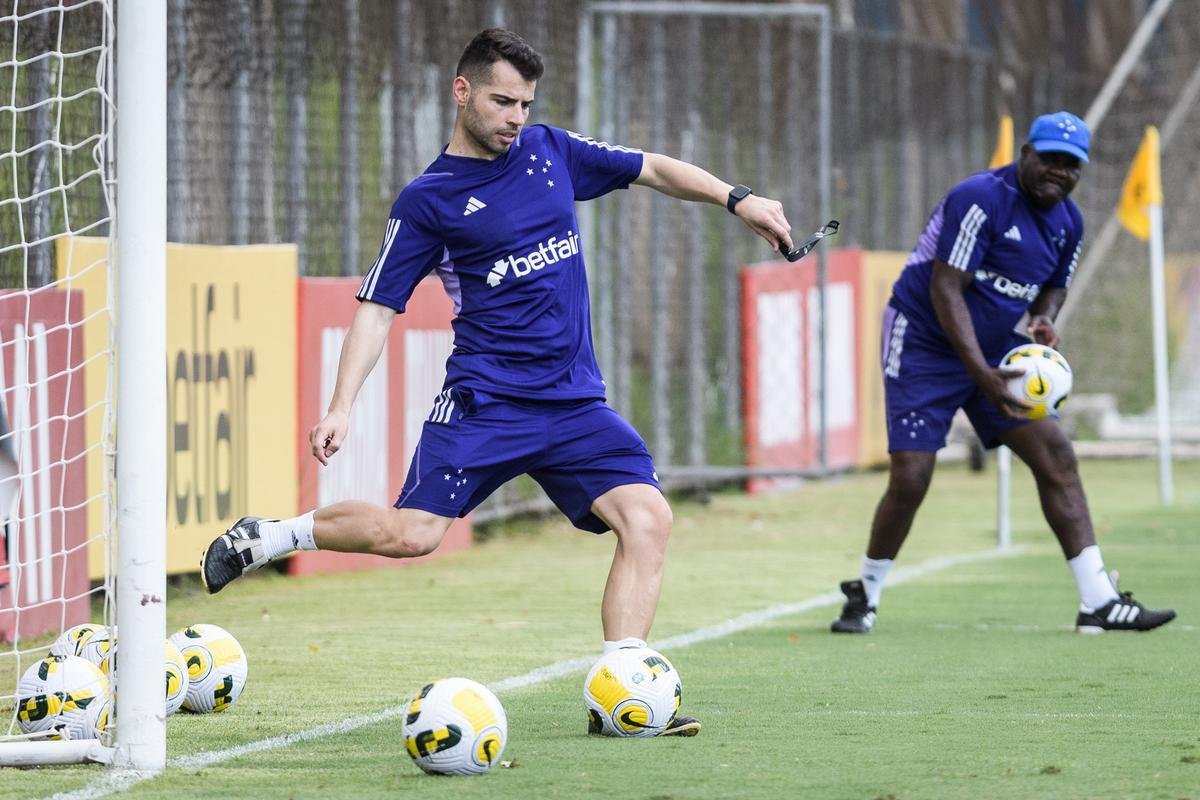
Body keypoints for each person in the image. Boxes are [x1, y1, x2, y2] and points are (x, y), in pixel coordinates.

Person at [200, 28, 796, 736]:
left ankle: (622, 690)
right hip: (486, 403)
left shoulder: (549, 152)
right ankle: (273, 536)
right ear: (462, 91)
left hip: (574, 405)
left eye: (524, 103)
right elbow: (378, 307)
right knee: (413, 536)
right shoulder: (429, 201)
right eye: (501, 100)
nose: (515, 116)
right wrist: (340, 407)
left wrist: (740, 200)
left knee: (648, 518)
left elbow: (652, 169)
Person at [830, 111, 1175, 635]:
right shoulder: (981, 197)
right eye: (1050, 160)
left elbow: (1054, 285)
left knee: (1055, 453)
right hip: (923, 339)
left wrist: (1042, 318)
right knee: (912, 477)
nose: (1059, 172)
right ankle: (866, 593)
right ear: (1026, 155)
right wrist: (980, 374)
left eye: (1071, 165)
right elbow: (946, 289)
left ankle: (1098, 602)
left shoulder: (1069, 221)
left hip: (993, 349)